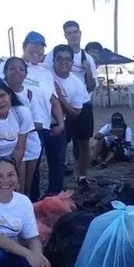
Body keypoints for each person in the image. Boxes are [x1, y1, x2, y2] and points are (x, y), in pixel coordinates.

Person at [0, 32, 66, 200]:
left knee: (35, 166)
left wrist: (60, 123)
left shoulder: (46, 73)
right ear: (24, 46)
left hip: (41, 127)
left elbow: (53, 100)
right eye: (34, 45)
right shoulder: (5, 65)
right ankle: (16, 200)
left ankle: (32, 202)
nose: (38, 50)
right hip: (15, 128)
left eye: (41, 47)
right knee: (17, 166)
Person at [44, 21, 97, 169]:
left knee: (83, 142)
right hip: (60, 102)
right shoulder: (56, 52)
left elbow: (92, 86)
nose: (73, 35)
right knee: (61, 139)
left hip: (82, 102)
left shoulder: (87, 57)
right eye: (69, 32)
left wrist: (88, 70)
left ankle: (81, 175)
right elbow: (42, 70)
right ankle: (61, 167)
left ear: (80, 33)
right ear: (65, 35)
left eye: (75, 32)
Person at [1, 56, 46, 197]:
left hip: (31, 144)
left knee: (28, 185)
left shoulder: (29, 94)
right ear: (5, 71)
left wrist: (20, 125)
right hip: (10, 144)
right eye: (12, 68)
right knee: (16, 184)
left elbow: (39, 123)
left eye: (21, 69)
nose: (17, 72)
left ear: (26, 74)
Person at [51, 44, 92, 191]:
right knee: (60, 144)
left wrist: (60, 97)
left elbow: (75, 114)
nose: (64, 63)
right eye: (60, 59)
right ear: (53, 60)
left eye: (68, 60)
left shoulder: (77, 84)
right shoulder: (45, 72)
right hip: (57, 111)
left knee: (83, 142)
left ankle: (82, 176)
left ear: (72, 62)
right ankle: (58, 178)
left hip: (80, 107)